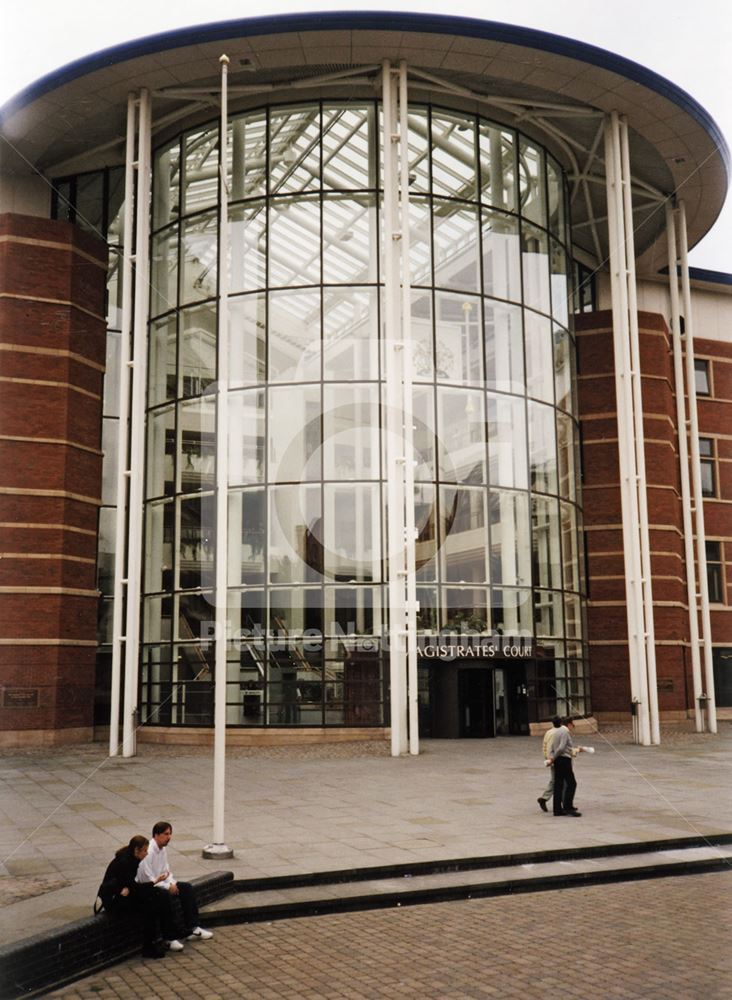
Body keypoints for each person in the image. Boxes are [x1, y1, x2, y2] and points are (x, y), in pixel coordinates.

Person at [136, 821, 213, 952]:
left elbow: (166, 872)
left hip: (162, 884)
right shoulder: (148, 852)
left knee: (186, 888)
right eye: (166, 834)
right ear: (156, 835)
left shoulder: (163, 850)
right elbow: (147, 879)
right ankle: (170, 938)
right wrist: (167, 887)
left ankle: (194, 927)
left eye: (170, 834)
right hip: (149, 888)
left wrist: (172, 884)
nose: (169, 837)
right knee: (164, 896)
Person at [98, 835, 167, 959]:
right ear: (136, 850)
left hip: (123, 894)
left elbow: (130, 886)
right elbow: (131, 885)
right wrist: (153, 882)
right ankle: (148, 947)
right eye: (144, 850)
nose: (146, 854)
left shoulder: (131, 859)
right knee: (148, 907)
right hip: (114, 901)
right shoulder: (126, 862)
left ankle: (155, 941)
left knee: (156, 897)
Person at [547, 716, 584, 817]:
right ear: (569, 724)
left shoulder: (556, 732)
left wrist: (551, 758)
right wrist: (553, 758)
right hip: (564, 760)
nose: (573, 726)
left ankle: (557, 809)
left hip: (558, 761)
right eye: (573, 724)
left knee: (558, 785)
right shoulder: (565, 732)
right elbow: (562, 748)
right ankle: (568, 807)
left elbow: (552, 747)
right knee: (571, 783)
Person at [537, 716, 562, 812]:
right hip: (557, 759)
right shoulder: (559, 733)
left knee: (555, 780)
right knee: (558, 780)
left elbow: (544, 746)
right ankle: (544, 798)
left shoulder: (548, 732)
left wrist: (546, 758)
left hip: (550, 759)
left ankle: (545, 798)